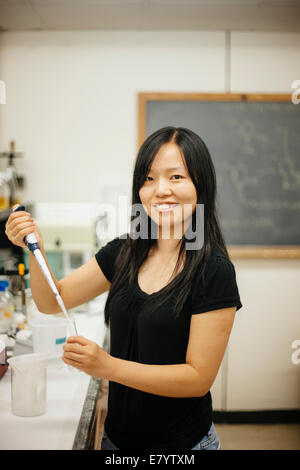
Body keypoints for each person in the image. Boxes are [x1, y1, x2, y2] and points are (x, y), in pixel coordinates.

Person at [5, 126, 242, 451]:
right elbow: (51, 300)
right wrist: (36, 249)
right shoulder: (125, 252)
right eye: (148, 178)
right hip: (116, 441)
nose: (160, 190)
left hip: (182, 445)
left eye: (175, 177)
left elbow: (197, 379)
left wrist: (107, 367)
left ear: (201, 184)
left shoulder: (214, 271)